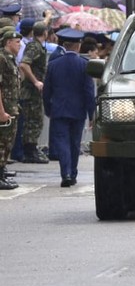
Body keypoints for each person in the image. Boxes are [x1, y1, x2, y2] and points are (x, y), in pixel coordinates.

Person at [42, 28, 96, 188]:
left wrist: (48, 109)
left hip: (58, 109)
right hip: (78, 111)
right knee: (74, 143)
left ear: (65, 45)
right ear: (78, 46)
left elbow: (47, 91)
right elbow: (88, 92)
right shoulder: (84, 65)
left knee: (62, 142)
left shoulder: (53, 65)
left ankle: (65, 173)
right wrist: (91, 114)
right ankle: (72, 172)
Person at [17, 21, 49, 165]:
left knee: (36, 121)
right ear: (45, 33)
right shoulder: (34, 47)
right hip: (31, 91)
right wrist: (35, 81)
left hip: (34, 91)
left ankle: (32, 149)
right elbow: (24, 64)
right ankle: (29, 152)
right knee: (32, 121)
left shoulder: (37, 46)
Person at [0, 27, 23, 190]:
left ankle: (2, 173)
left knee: (8, 143)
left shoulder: (10, 59)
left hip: (12, 107)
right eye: (17, 42)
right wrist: (1, 111)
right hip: (5, 108)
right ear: (8, 43)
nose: (20, 45)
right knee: (2, 143)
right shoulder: (2, 59)